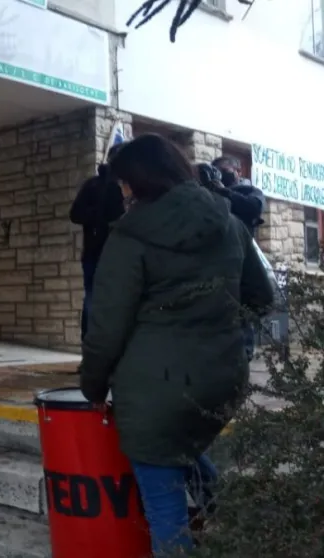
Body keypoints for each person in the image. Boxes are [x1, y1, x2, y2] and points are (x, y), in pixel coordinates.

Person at [79, 134, 275, 556]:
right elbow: (262, 297)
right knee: (185, 448)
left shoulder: (130, 238)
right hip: (221, 379)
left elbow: (106, 328)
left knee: (165, 512)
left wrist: (92, 387)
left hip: (156, 391)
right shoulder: (229, 222)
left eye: (125, 183)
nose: (122, 191)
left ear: (140, 182)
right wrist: (223, 335)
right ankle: (238, 528)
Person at [211, 155, 267, 361]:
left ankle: (244, 357)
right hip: (214, 263)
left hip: (241, 262)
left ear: (238, 171)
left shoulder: (250, 191)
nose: (222, 175)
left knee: (241, 312)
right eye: (217, 171)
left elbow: (253, 208)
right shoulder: (210, 194)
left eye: (225, 170)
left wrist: (223, 191)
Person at [69, 145, 126, 339]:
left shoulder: (140, 186)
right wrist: (100, 218)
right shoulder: (95, 185)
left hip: (129, 253)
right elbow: (75, 214)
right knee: (93, 301)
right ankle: (90, 354)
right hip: (98, 252)